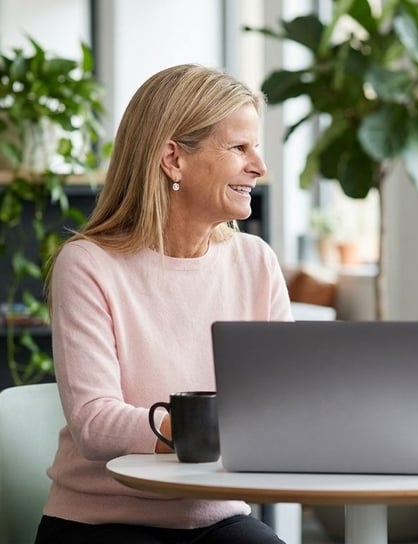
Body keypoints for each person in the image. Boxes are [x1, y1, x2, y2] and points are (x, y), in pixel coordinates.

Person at [35, 64, 291, 544]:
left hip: (217, 516)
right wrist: (212, 426)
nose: (259, 166)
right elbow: (95, 422)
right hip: (101, 520)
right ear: (174, 159)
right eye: (239, 148)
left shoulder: (256, 261)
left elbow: (286, 397)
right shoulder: (88, 264)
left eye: (255, 147)